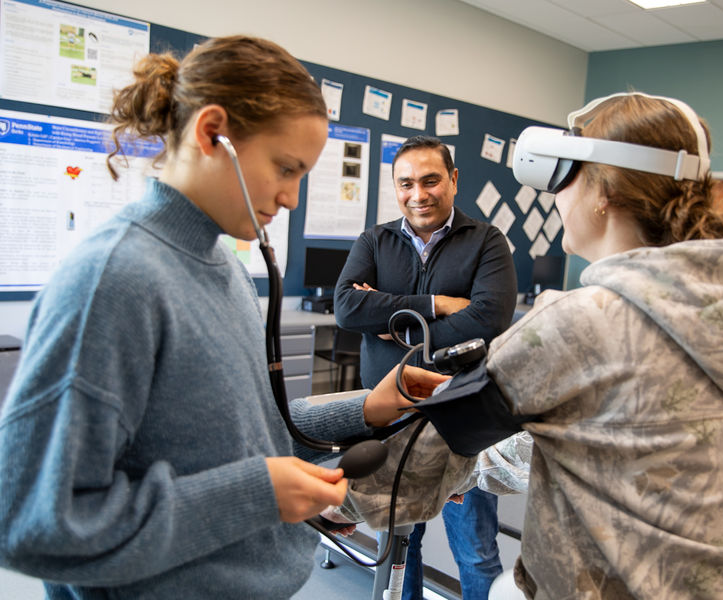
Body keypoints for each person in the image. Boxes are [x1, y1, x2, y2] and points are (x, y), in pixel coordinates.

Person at [0, 36, 446, 599]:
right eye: (286, 168)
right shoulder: (114, 281)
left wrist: (367, 407)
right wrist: (258, 496)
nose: (290, 197)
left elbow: (246, 430)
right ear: (212, 133)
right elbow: (32, 525)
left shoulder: (222, 265)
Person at [360, 92, 723, 599]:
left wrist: (328, 497)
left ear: (602, 191)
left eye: (564, 179)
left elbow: (431, 451)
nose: (556, 198)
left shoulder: (578, 323)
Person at [333, 135, 518, 599]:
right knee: (398, 542)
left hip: (459, 419)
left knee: (474, 548)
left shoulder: (488, 243)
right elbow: (347, 308)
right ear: (395, 188)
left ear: (453, 180)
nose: (419, 194)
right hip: (389, 418)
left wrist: (396, 326)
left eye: (431, 180)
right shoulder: (375, 240)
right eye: (406, 183)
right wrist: (435, 304)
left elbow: (488, 321)